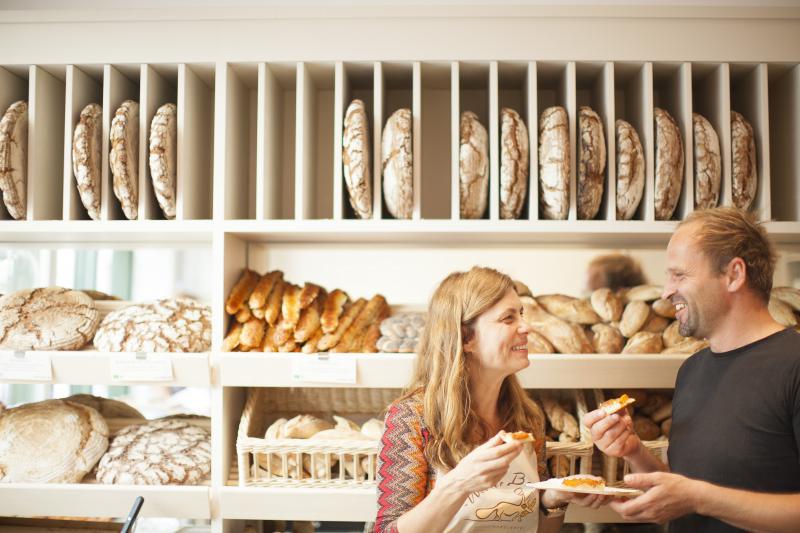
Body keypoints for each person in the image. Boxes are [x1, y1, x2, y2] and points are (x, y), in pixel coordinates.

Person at [584, 207, 800, 532]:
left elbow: (699, 496)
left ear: (734, 275)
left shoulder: (794, 364)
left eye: (679, 275)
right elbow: (688, 491)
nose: (666, 291)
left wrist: (699, 497)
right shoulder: (691, 371)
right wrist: (634, 451)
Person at [375, 266, 608, 533]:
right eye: (508, 318)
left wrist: (553, 499)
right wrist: (459, 483)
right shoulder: (412, 418)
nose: (526, 327)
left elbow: (541, 530)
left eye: (521, 314)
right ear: (466, 338)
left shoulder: (527, 418)